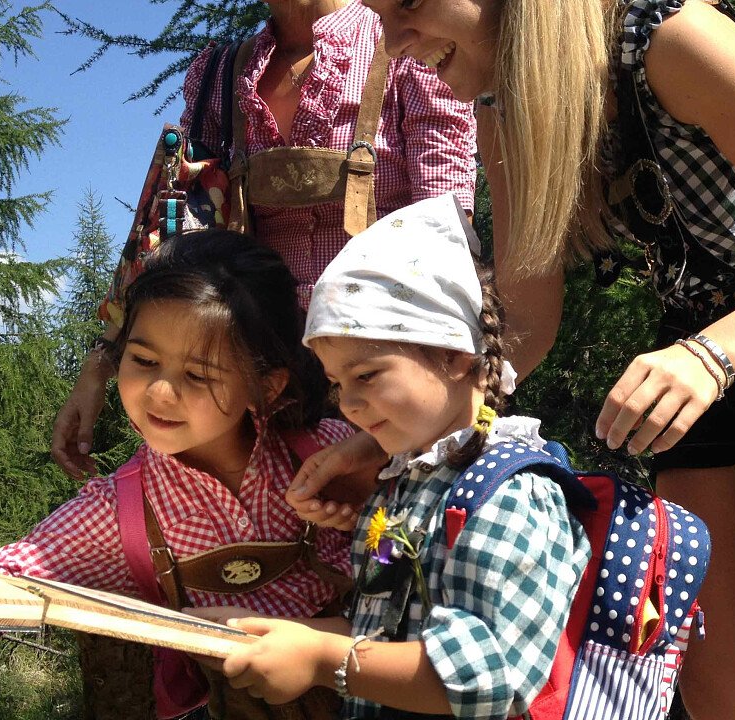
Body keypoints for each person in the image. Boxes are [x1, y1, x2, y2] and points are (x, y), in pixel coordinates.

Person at [296, 0, 735, 717]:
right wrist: (396, 439)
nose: (396, 41)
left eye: (407, 4)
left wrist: (712, 357)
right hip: (700, 345)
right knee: (718, 697)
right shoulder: (503, 106)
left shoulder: (673, 41)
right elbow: (525, 323)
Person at [0, 232, 356, 718]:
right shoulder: (118, 513)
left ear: (267, 387)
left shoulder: (340, 453)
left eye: (199, 375)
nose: (160, 393)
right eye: (144, 361)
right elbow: (2, 591)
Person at [194, 194, 591, 719]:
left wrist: (319, 659)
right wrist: (282, 636)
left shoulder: (511, 491)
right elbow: (380, 637)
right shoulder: (406, 485)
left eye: (367, 375)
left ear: (453, 355)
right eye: (337, 383)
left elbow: (490, 678)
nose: (348, 404)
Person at [50, 0, 478, 482]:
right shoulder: (221, 73)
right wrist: (100, 366)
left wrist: (412, 420)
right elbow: (176, 237)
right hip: (259, 389)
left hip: (387, 389)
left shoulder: (407, 44)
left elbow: (449, 237)